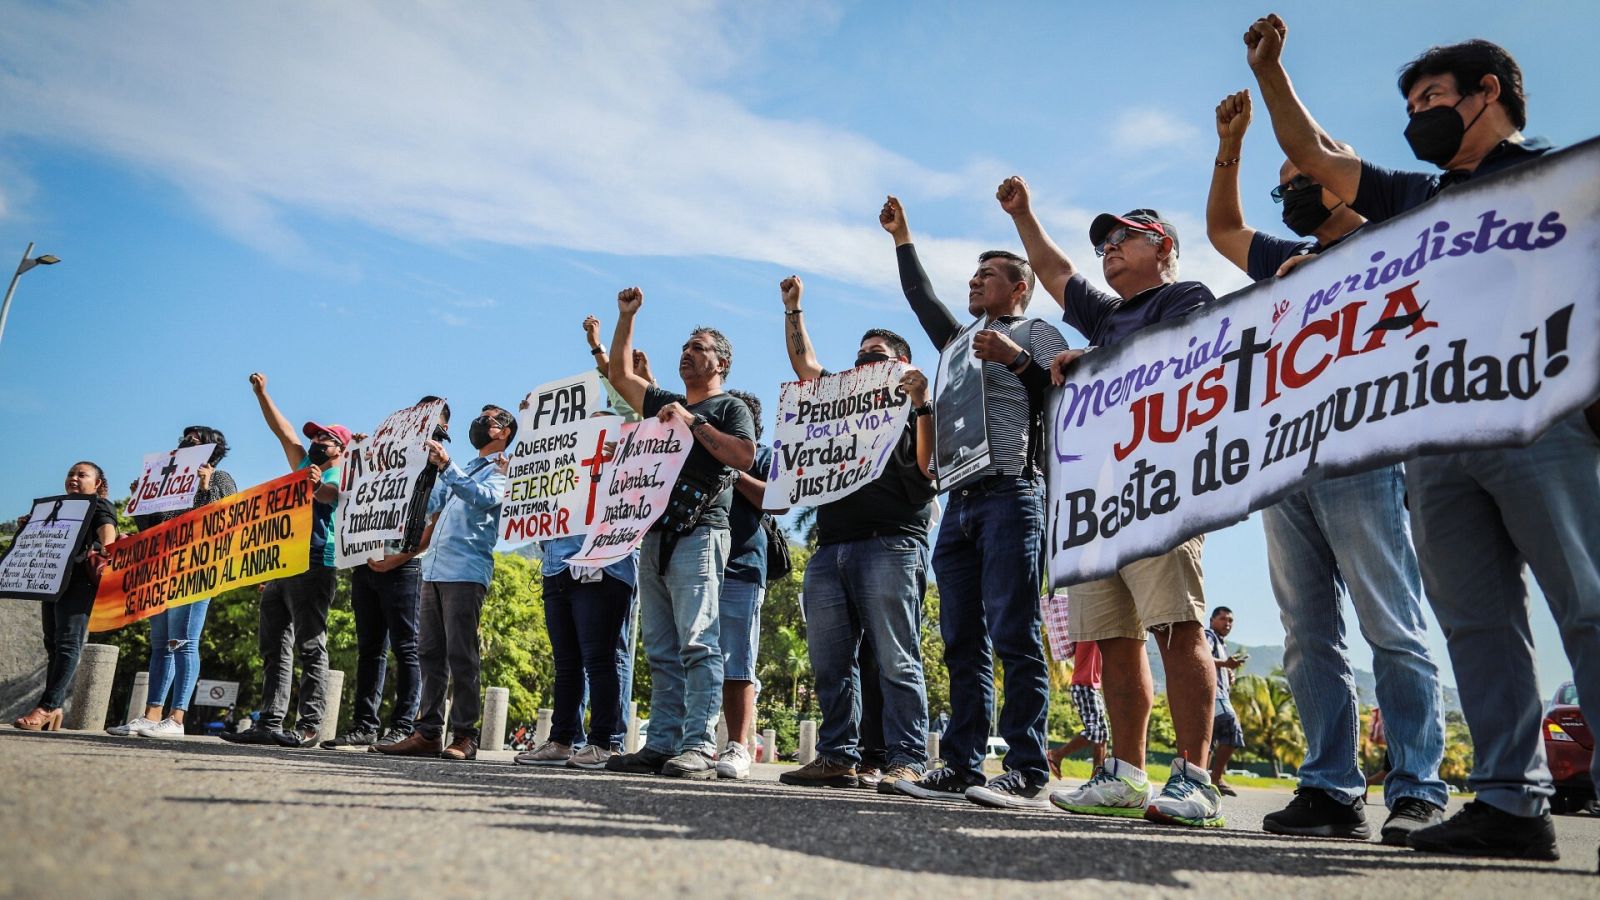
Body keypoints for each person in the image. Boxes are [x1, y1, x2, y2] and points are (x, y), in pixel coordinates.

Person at [1246, 15, 1598, 860]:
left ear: (1489, 94)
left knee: (1586, 604)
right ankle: (1510, 803)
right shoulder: (1416, 201)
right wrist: (1270, 75)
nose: (1418, 116)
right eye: (1409, 106)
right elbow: (1318, 157)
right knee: (1476, 621)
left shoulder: (1559, 178)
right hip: (1437, 442)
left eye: (1433, 97)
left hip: (1542, 418)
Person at [1206, 87, 1449, 844]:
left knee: (1390, 622)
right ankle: (1331, 788)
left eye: (1303, 178)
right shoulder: (1289, 260)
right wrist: (1229, 147)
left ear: (1341, 175)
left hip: (1365, 453)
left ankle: (1417, 786)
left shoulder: (1397, 239)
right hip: (1287, 461)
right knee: (1307, 632)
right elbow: (1223, 231)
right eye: (1282, 188)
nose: (1292, 195)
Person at [997, 175, 1223, 828]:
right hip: (1097, 501)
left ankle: (1196, 779)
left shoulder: (1187, 298)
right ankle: (1124, 775)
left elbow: (1178, 367)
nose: (1110, 249)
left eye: (1126, 237)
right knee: (1114, 639)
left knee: (1176, 626)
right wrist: (1024, 214)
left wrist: (1092, 359)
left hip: (1160, 490)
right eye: (1104, 244)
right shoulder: (1106, 316)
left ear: (1164, 246)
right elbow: (1054, 271)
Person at [878, 197, 1067, 810]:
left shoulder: (1036, 332)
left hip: (1014, 490)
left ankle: (1027, 768)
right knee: (961, 639)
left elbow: (1066, 394)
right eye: (973, 275)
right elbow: (921, 299)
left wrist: (1016, 358)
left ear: (1019, 287)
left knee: (1014, 631)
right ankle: (960, 765)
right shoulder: (958, 343)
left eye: (987, 275)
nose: (974, 282)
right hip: (959, 501)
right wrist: (903, 238)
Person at [772, 274, 938, 793]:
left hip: (892, 542)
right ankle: (837, 756)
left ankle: (907, 758)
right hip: (831, 549)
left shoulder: (915, 408)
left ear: (903, 365)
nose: (865, 361)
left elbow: (929, 470)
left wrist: (922, 402)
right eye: (861, 354)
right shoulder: (841, 402)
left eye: (877, 355)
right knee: (830, 662)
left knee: (896, 657)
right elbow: (805, 365)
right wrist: (794, 308)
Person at [601, 287, 756, 780]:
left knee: (698, 643)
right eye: (685, 347)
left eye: (699, 348)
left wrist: (692, 421)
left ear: (721, 362)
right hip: (655, 536)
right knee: (661, 648)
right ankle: (662, 742)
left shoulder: (730, 407)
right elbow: (619, 375)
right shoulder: (662, 402)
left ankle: (699, 746)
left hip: (700, 534)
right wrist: (626, 317)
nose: (687, 353)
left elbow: (742, 456)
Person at [376, 404, 515, 762]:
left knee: (461, 654)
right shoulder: (466, 468)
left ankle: (465, 735)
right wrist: (407, 468)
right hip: (434, 570)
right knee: (430, 653)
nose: (479, 422)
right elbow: (430, 502)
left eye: (487, 419)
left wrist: (448, 467)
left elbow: (484, 499)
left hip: (465, 571)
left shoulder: (504, 469)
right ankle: (427, 732)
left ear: (504, 432)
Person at [222, 374, 348, 748]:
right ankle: (269, 722)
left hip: (315, 563)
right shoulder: (303, 465)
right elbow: (285, 432)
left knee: (311, 645)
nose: (316, 441)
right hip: (283, 564)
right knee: (274, 646)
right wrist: (262, 394)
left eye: (325, 438)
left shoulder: (343, 473)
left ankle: (309, 725)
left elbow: (329, 495)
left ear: (340, 448)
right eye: (315, 437)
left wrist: (316, 485)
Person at [322, 399, 449, 752]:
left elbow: (434, 524)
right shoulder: (380, 461)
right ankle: (364, 725)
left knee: (407, 648)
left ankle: (403, 726)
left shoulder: (438, 470)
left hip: (404, 567)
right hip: (366, 564)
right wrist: (360, 455)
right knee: (370, 648)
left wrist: (399, 559)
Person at [515, 406, 638, 771]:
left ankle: (604, 742)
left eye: (604, 428)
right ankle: (561, 740)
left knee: (600, 659)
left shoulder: (630, 466)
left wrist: (622, 458)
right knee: (566, 663)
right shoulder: (565, 470)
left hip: (603, 566)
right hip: (557, 566)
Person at [109, 427, 238, 739]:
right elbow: (150, 529)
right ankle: (151, 715)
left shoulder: (221, 478)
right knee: (160, 645)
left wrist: (205, 487)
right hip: (161, 570)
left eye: (198, 436)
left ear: (214, 449)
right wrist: (142, 502)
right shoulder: (168, 482)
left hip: (195, 569)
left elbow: (226, 521)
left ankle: (177, 718)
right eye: (187, 435)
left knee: (183, 642)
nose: (190, 438)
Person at [12, 463, 119, 732]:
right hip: (51, 579)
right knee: (52, 644)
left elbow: (108, 533)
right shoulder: (58, 509)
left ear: (97, 484)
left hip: (78, 580)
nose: (74, 478)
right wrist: (31, 527)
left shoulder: (98, 505)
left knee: (68, 643)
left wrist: (108, 549)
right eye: (71, 474)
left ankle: (47, 707)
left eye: (82, 475)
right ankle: (55, 707)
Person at [715, 389, 781, 780]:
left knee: (736, 659)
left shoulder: (765, 457)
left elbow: (777, 499)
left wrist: (735, 472)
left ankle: (738, 745)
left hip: (741, 568)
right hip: (697, 566)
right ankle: (690, 741)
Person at [1047, 638, 1109, 778]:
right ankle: (1056, 755)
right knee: (1094, 732)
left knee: (1103, 734)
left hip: (1092, 688)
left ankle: (1098, 774)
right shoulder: (1089, 633)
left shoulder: (1095, 635)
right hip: (1084, 686)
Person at [1204, 608, 1245, 797]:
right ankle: (1216, 777)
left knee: (1209, 740)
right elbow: (1203, 657)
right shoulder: (1209, 635)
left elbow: (1215, 663)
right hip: (1215, 696)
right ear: (1212, 620)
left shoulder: (1221, 643)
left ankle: (1202, 781)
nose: (1227, 624)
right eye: (1222, 619)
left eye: (1230, 621)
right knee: (1232, 728)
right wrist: (1226, 664)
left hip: (1219, 695)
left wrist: (1227, 673)